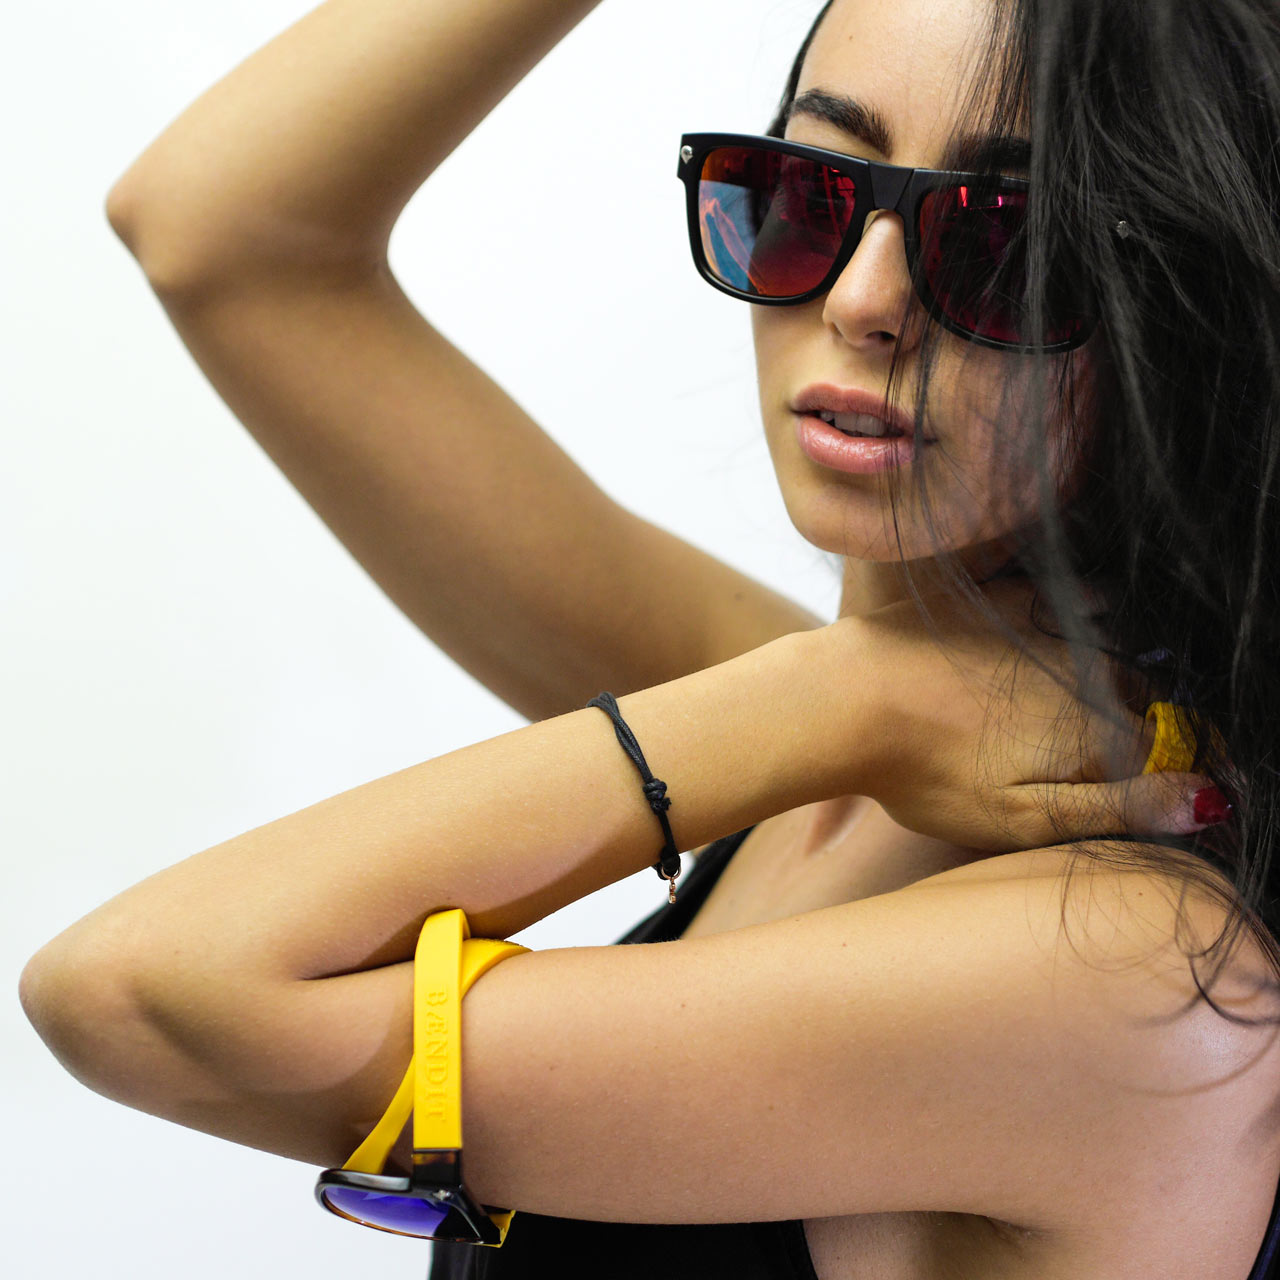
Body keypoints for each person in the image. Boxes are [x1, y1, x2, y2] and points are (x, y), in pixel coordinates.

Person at [18, 0, 1280, 1277]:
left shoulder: (1128, 969)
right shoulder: (842, 736)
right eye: (805, 193)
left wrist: (843, 699)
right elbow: (215, 231)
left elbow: (137, 993)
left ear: (1204, 304)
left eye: (1011, 242)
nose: (861, 298)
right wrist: (845, 701)